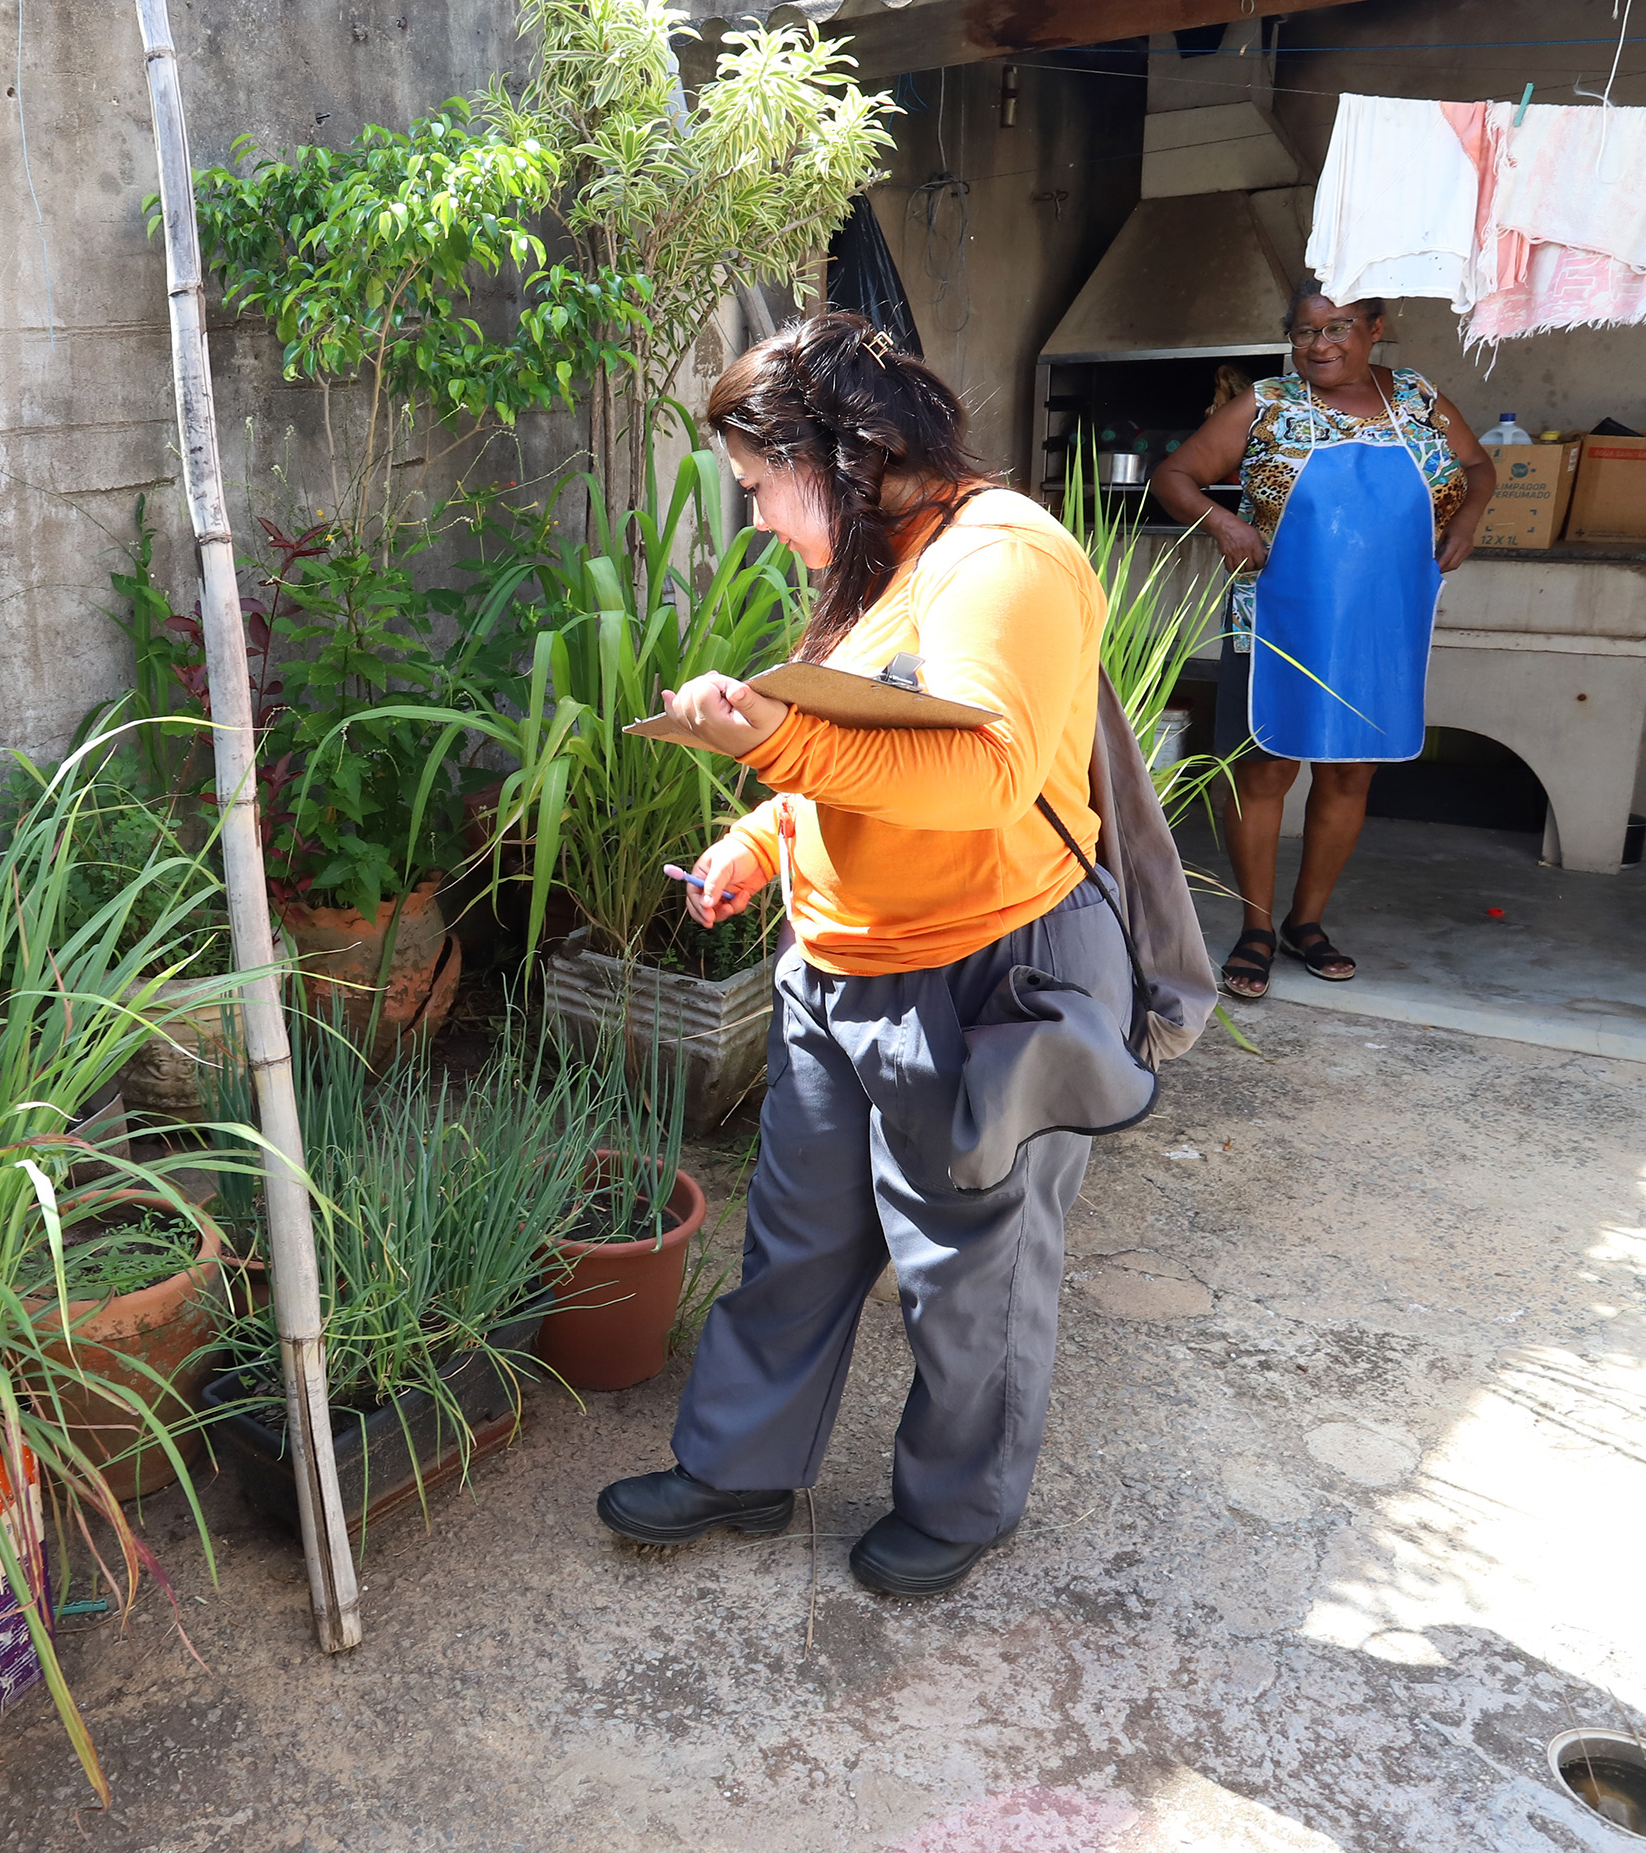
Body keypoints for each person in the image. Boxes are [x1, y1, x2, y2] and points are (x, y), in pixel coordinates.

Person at [594, 311, 1124, 1599]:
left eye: (763, 488)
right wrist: (761, 840)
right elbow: (861, 742)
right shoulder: (887, 564)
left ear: (840, 450)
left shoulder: (1004, 559)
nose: (763, 522)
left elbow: (987, 773)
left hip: (979, 974)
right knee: (797, 1239)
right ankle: (739, 1465)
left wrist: (775, 744)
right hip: (835, 971)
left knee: (966, 1271)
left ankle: (960, 1503)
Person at [1151, 289, 1494, 1000]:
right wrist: (1225, 526)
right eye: (1305, 331)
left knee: (1350, 773)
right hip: (1277, 614)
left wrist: (1469, 522)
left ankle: (1308, 923)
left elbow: (1479, 469)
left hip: (1381, 618)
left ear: (1375, 330)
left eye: (1337, 328)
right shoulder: (1266, 404)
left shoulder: (1421, 400)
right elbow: (1174, 476)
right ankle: (1255, 927)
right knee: (1267, 768)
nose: (1320, 344)